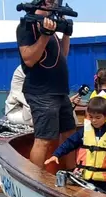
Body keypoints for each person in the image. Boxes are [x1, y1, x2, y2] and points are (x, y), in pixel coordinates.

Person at [16, 0, 76, 170]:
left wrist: (66, 33)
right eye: (49, 2)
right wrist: (45, 34)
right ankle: (36, 180)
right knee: (44, 138)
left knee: (69, 133)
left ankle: (71, 172)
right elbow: (29, 59)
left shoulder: (51, 27)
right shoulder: (27, 27)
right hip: (42, 92)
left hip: (59, 91)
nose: (53, 6)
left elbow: (62, 54)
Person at [44, 97, 106, 196]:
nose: (94, 120)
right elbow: (69, 143)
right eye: (91, 117)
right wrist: (56, 154)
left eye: (98, 118)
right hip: (85, 178)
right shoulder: (84, 132)